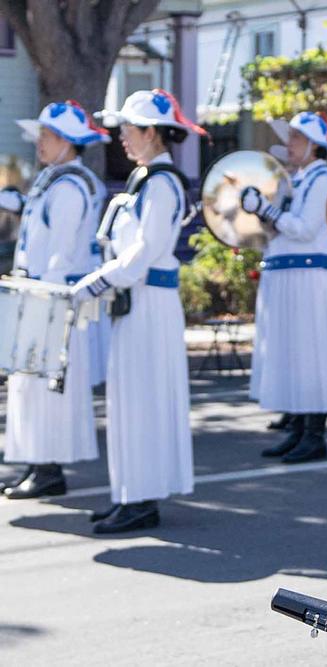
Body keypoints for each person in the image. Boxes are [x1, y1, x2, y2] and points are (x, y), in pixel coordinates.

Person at [71, 90, 198, 532]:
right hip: (136, 302)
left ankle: (142, 499)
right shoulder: (145, 180)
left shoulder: (161, 184)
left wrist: (95, 281)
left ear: (152, 133)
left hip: (149, 304)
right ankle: (129, 494)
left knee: (142, 401)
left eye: (129, 128)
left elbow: (144, 254)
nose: (121, 136)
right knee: (129, 400)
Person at [0, 101, 108, 499]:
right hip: (36, 295)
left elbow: (61, 254)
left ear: (67, 141)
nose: (40, 143)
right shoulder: (55, 179)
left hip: (50, 300)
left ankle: (47, 469)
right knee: (28, 387)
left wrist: (46, 302)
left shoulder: (70, 187)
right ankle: (35, 462)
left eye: (46, 136)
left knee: (45, 389)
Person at [242, 111, 327, 461]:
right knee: (294, 354)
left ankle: (313, 433)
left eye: (295, 138)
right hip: (291, 274)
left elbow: (304, 228)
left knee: (311, 354)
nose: (289, 144)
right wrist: (265, 213)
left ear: (313, 145)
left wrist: (267, 210)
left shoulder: (321, 179)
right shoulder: (299, 179)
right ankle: (299, 427)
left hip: (310, 277)